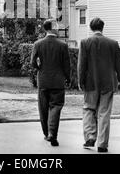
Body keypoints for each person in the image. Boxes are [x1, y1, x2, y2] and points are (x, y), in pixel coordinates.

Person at [78, 17, 120, 153]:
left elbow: (82, 65)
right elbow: (119, 63)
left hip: (90, 82)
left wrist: (80, 81)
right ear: (102, 27)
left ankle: (90, 137)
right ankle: (102, 144)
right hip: (108, 83)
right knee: (104, 113)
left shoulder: (85, 42)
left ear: (91, 28)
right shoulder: (113, 43)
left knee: (88, 109)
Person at [31, 19, 71, 147]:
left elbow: (32, 62)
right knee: (56, 106)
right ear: (53, 28)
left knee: (43, 108)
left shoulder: (38, 44)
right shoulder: (63, 45)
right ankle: (52, 134)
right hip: (58, 81)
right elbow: (67, 65)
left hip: (43, 80)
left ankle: (46, 133)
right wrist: (68, 78)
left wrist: (40, 70)